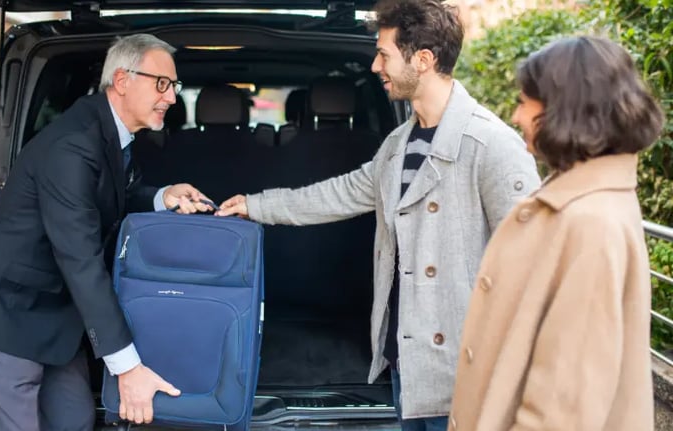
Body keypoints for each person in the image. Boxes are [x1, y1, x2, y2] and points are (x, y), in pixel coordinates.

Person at [215, 0, 541, 428]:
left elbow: (533, 265)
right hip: (407, 364)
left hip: (466, 374)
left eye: (384, 53)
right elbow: (342, 193)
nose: (374, 66)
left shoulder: (490, 145)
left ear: (423, 60)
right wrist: (257, 205)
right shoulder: (397, 144)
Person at [0, 34, 213, 430]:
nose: (172, 98)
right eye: (162, 83)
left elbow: (110, 193)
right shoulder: (72, 145)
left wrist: (162, 196)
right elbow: (80, 259)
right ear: (122, 80)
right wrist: (129, 368)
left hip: (56, 312)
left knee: (75, 419)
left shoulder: (106, 130)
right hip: (6, 310)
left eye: (174, 86)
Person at [446, 35, 665, 431]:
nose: (515, 116)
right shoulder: (587, 202)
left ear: (565, 109)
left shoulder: (589, 223)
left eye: (525, 102)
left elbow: (562, 411)